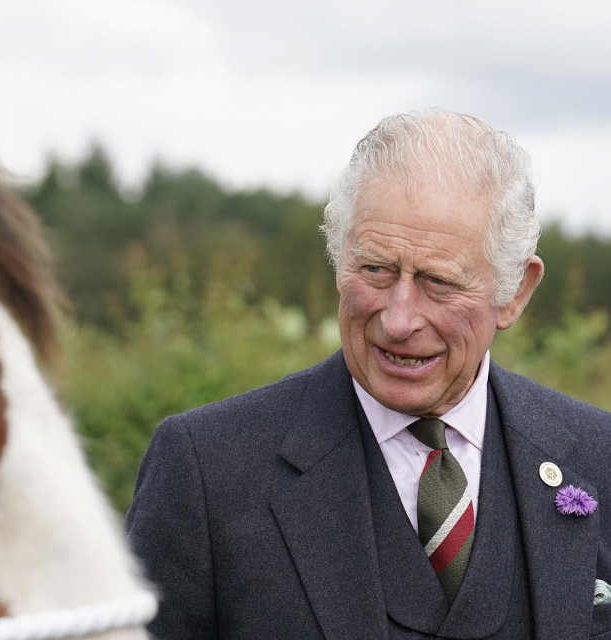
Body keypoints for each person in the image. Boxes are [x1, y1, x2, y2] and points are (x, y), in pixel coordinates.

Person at [125, 109, 611, 639]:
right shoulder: (207, 470)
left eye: (438, 281)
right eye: (375, 269)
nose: (399, 320)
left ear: (516, 292)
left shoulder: (599, 456)